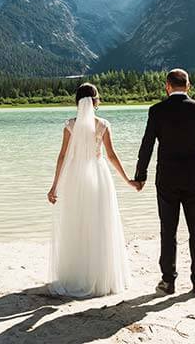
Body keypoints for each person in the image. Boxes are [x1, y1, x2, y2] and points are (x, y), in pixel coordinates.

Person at [131, 69, 195, 295]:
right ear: (188, 86)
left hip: (167, 180)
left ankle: (168, 281)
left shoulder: (156, 111)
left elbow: (147, 146)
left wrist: (140, 176)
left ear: (167, 86)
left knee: (168, 231)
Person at [47, 83, 134, 297]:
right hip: (99, 176)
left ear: (77, 101)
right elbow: (112, 156)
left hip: (76, 176)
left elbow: (62, 157)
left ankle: (76, 274)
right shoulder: (102, 124)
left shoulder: (69, 125)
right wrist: (128, 180)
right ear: (95, 101)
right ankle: (102, 276)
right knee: (101, 222)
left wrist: (54, 186)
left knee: (76, 223)